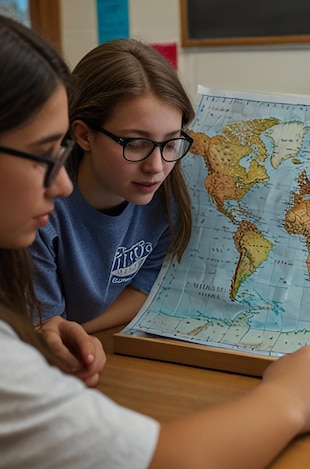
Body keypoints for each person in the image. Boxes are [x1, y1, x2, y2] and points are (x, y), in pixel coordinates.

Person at [0, 2, 310, 469]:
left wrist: (41, 331)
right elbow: (171, 462)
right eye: (44, 154)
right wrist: (290, 398)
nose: (63, 183)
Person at [29, 38, 194, 333]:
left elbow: (144, 290)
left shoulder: (166, 199)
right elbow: (44, 326)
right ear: (84, 135)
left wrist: (79, 333)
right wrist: (67, 334)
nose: (156, 167)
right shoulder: (39, 213)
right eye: (136, 143)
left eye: (171, 143)